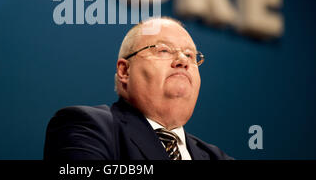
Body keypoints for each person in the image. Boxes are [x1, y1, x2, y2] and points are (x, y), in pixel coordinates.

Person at [44, 17, 233, 160]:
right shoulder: (87, 127)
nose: (183, 61)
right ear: (125, 71)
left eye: (190, 55)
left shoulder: (217, 157)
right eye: (164, 50)